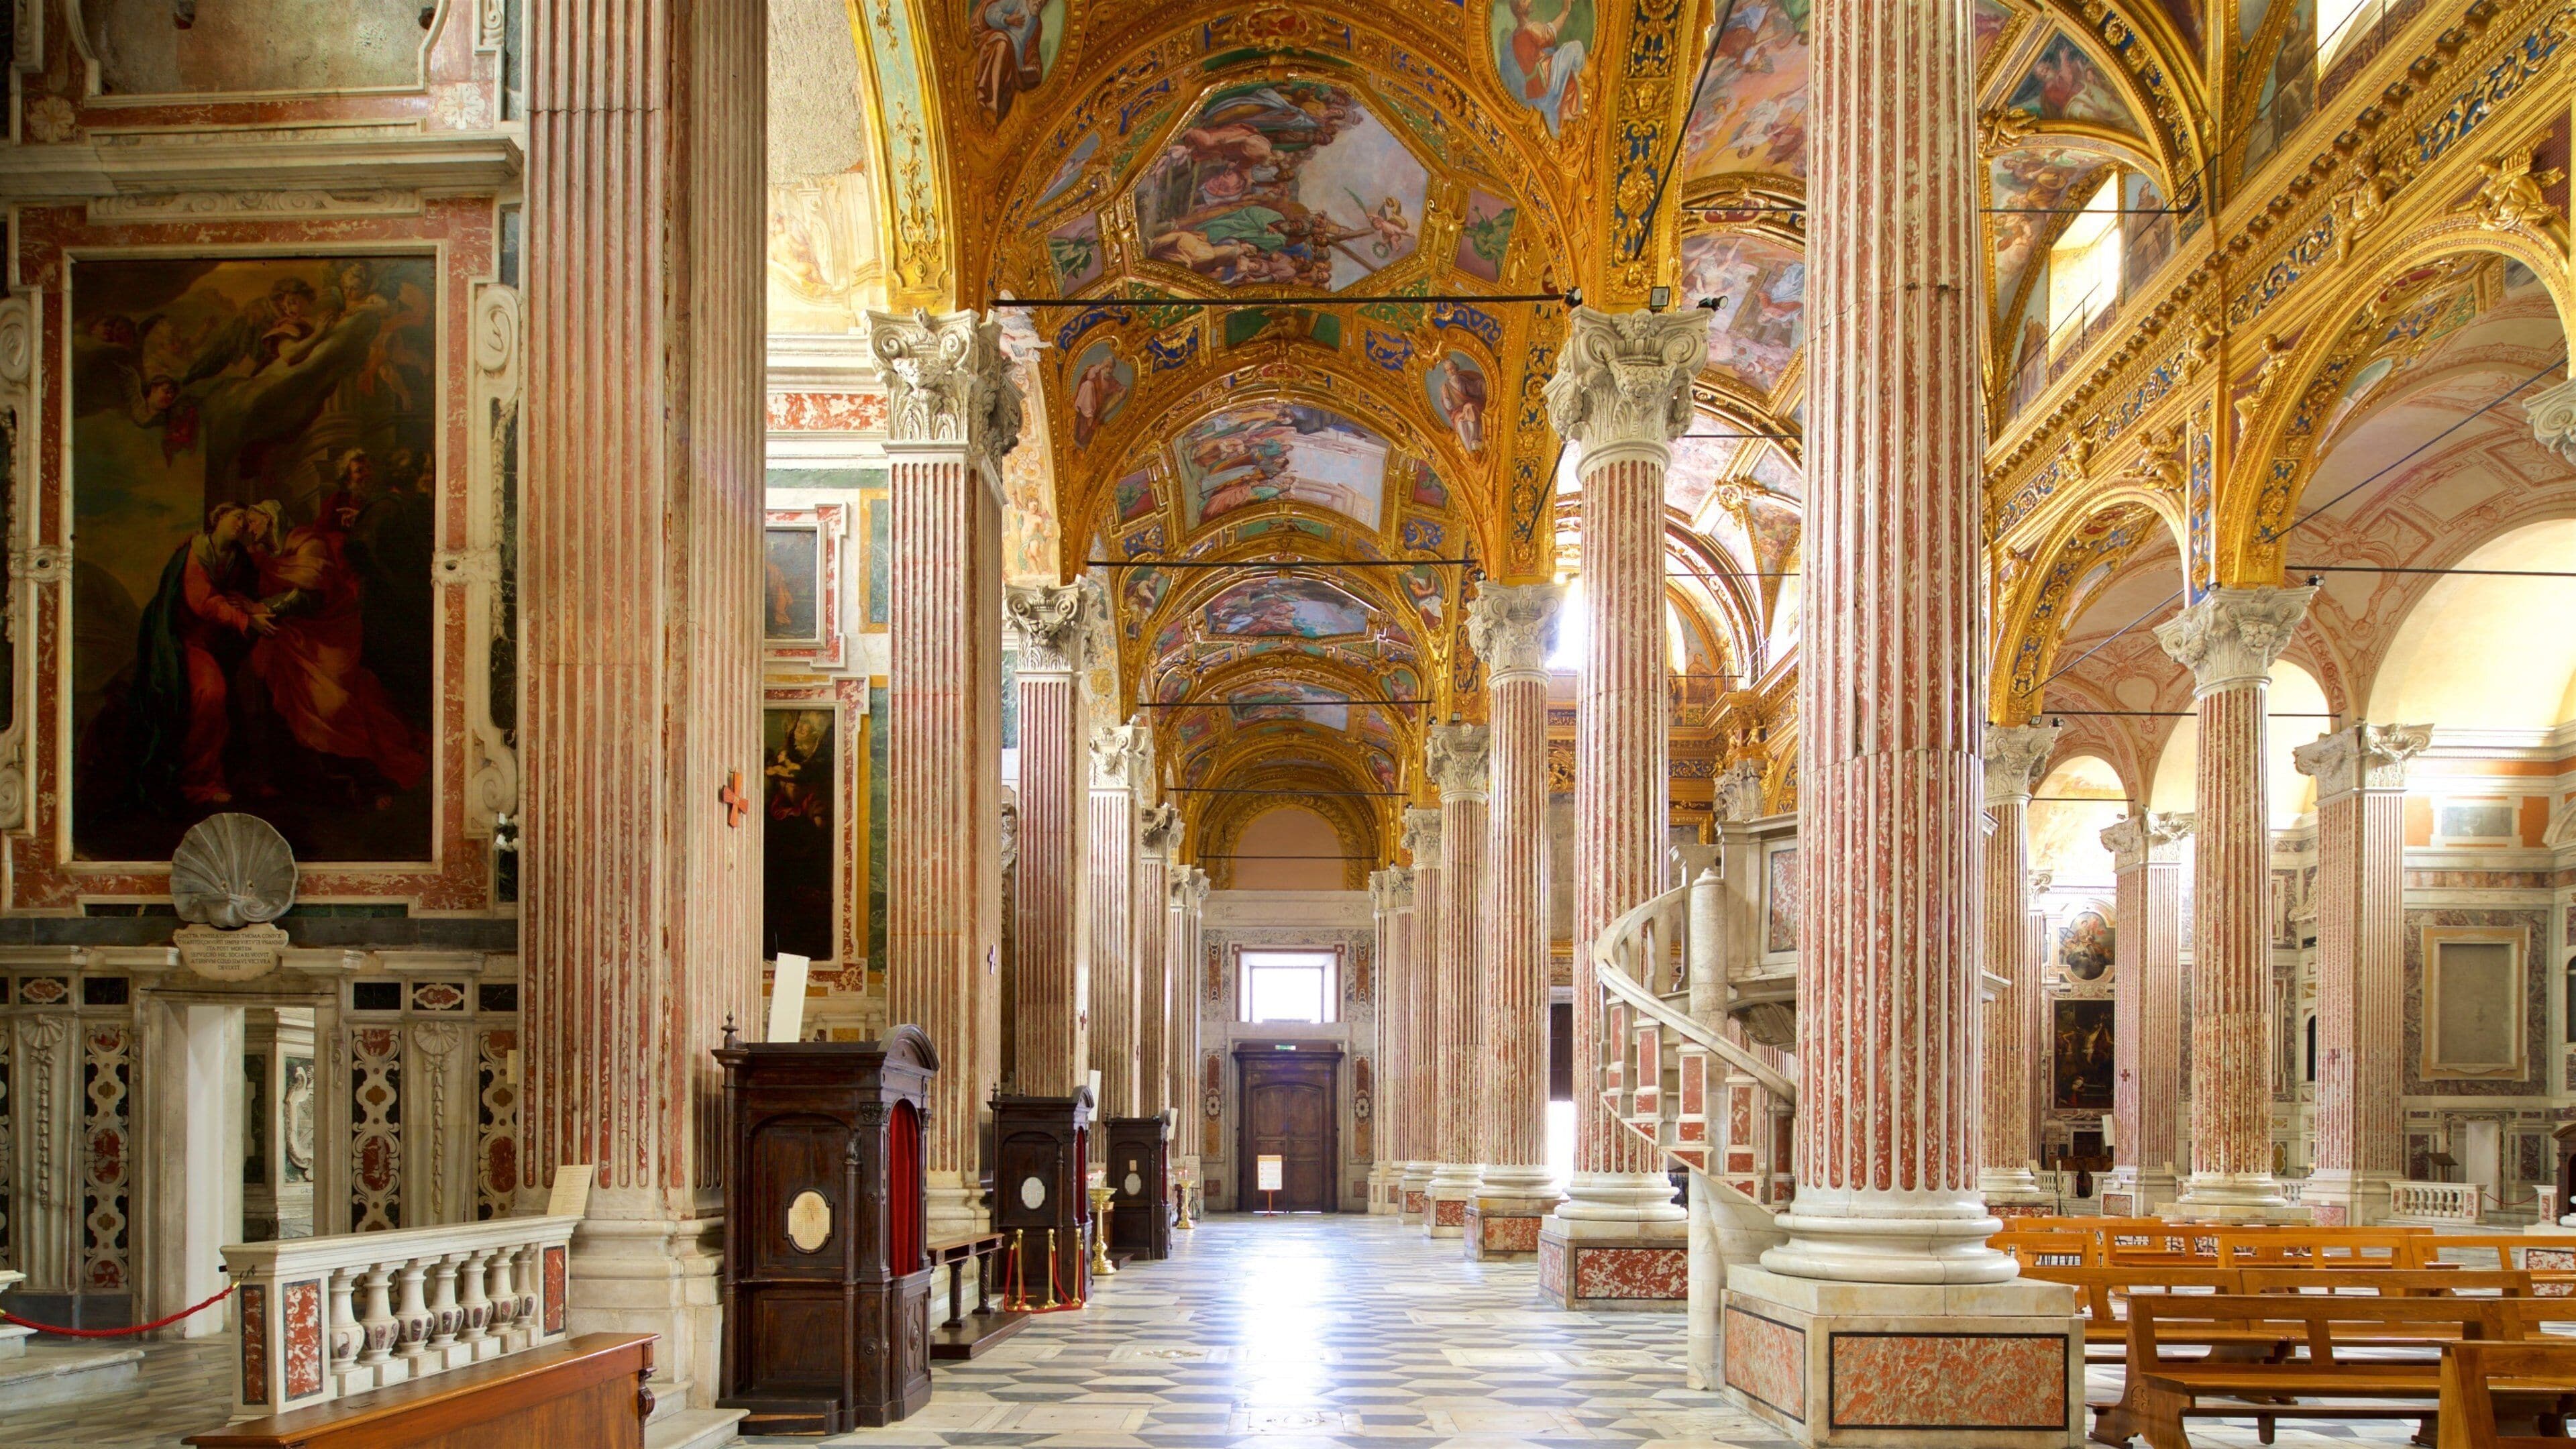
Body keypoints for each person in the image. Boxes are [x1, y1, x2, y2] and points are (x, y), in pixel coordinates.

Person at [248, 486, 427, 806]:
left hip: (328, 638)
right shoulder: (263, 558)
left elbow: (312, 595)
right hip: (289, 642)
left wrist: (266, 609)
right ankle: (296, 782)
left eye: (254, 521)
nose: (250, 528)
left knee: (335, 706)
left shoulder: (308, 543)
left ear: (271, 519)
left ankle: (370, 781)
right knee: (281, 704)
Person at [127, 502, 280, 807]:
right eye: (237, 517)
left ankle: (245, 778)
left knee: (253, 695)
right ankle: (198, 783)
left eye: (246, 520)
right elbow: (205, 602)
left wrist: (247, 605)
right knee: (210, 694)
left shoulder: (239, 558)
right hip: (186, 641)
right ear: (219, 518)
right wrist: (246, 620)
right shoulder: (196, 552)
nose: (242, 524)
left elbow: (247, 592)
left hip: (221, 644)